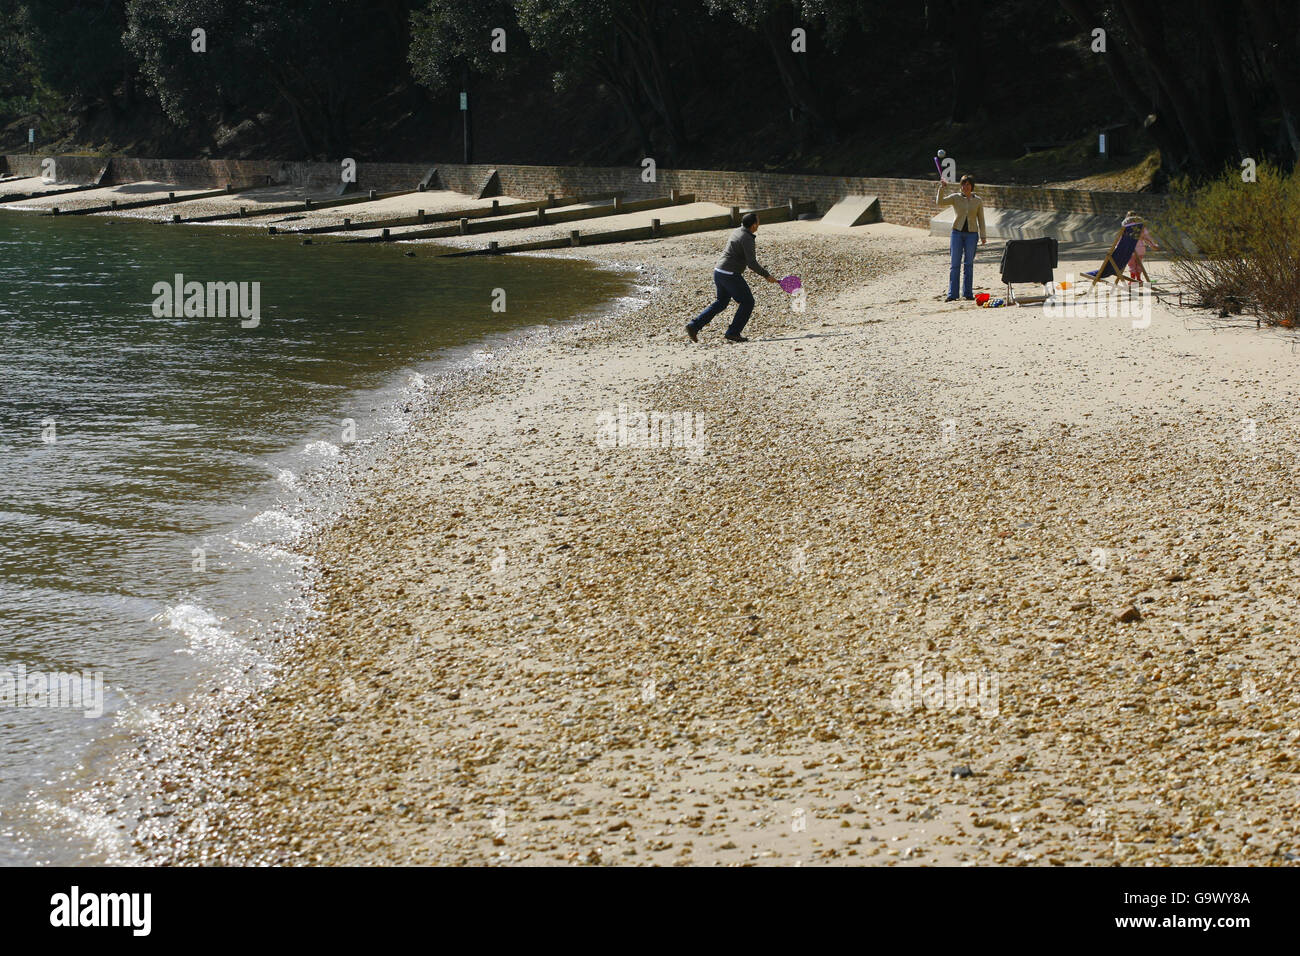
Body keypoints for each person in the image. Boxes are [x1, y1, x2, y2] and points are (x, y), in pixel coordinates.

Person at [686, 211, 779, 343]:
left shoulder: (737, 231)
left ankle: (694, 326)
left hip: (719, 271)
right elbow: (751, 263)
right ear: (753, 225)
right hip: (730, 274)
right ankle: (733, 332)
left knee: (721, 302)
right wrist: (766, 275)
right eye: (758, 222)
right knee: (748, 302)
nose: (759, 224)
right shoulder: (747, 238)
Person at [936, 173, 987, 301]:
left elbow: (981, 219)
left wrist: (983, 235)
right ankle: (952, 294)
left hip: (972, 235)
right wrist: (941, 188)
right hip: (957, 233)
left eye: (968, 184)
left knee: (969, 264)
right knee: (954, 264)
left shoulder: (978, 201)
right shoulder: (955, 198)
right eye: (963, 184)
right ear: (961, 186)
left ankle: (967, 293)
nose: (965, 186)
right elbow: (939, 202)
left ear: (972, 186)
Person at [1121, 210, 1159, 283]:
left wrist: (1119, 248)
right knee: (1139, 264)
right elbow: (1148, 238)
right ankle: (1138, 279)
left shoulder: (1125, 228)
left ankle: (1132, 280)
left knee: (1131, 265)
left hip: (1130, 250)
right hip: (1140, 249)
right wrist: (1153, 245)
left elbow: (1121, 240)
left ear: (1127, 218)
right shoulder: (1141, 228)